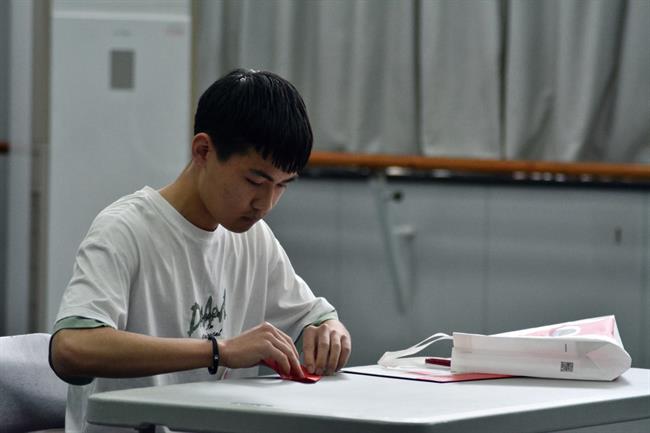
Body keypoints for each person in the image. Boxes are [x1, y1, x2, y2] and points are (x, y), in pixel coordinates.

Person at [49, 68, 352, 432]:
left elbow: (313, 316)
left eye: (282, 185)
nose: (265, 204)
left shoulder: (254, 238)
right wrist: (220, 351)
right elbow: (71, 348)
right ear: (203, 151)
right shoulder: (125, 229)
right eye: (254, 181)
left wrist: (328, 328)